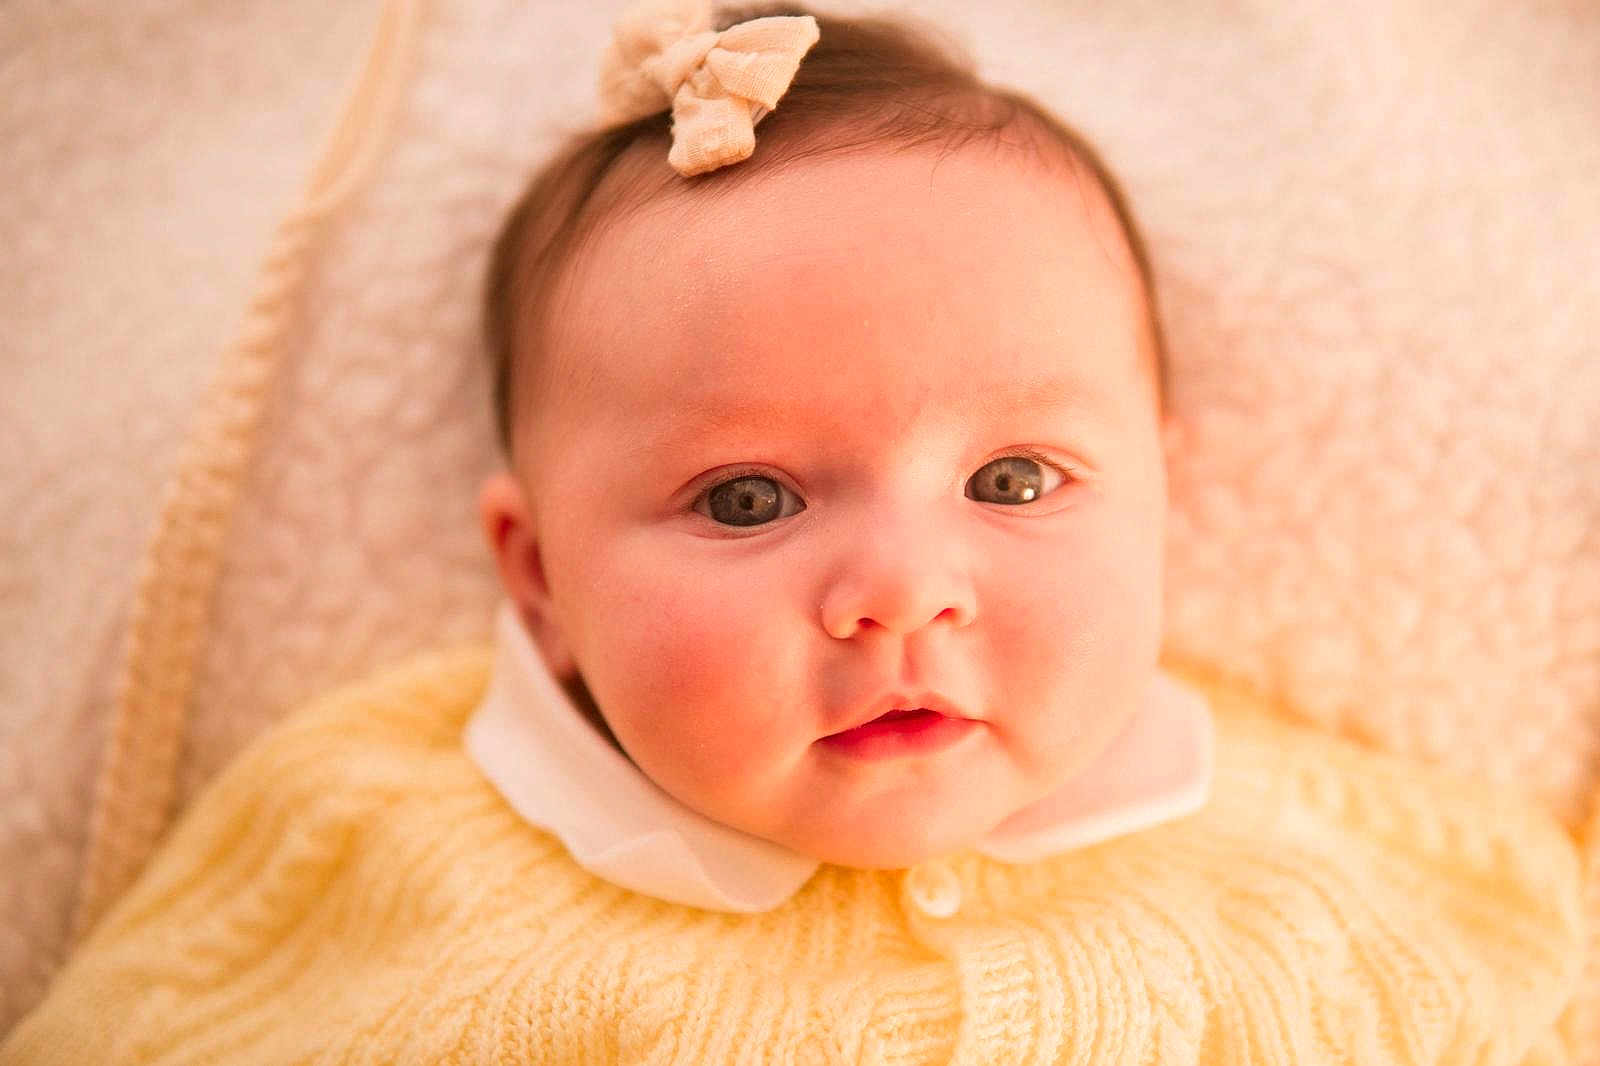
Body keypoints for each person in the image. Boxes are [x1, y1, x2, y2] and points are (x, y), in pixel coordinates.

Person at [1, 1, 1583, 1062]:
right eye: (748, 498)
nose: (900, 591)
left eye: (1017, 480)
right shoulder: (379, 834)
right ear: (540, 577)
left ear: (1164, 497)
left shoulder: (1318, 858)